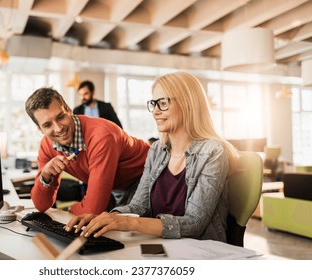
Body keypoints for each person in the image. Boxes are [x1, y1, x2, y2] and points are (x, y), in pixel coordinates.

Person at [65, 72, 239, 243]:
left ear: (188, 105)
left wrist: (128, 222)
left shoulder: (213, 152)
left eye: (163, 103)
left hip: (200, 252)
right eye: (154, 103)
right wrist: (106, 218)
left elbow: (194, 223)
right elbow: (138, 206)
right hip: (160, 245)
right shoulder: (157, 150)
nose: (155, 111)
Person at [25, 87, 150, 215]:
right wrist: (45, 176)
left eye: (61, 117)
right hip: (116, 187)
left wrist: (68, 211)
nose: (58, 128)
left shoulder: (101, 136)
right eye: (47, 125)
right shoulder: (46, 146)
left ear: (68, 109)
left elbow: (92, 210)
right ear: (40, 129)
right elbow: (41, 205)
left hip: (146, 177)